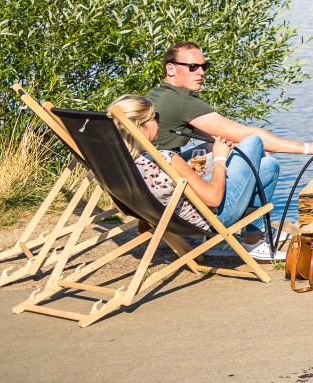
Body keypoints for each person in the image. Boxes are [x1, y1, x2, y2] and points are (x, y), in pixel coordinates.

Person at [143, 43, 313, 225]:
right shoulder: (181, 100)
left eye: (204, 66)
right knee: (258, 149)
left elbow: (220, 137)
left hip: (155, 191)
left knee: (238, 150)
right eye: (193, 67)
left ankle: (253, 236)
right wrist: (307, 148)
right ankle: (254, 237)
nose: (201, 72)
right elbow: (243, 134)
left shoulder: (158, 95)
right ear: (171, 69)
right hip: (179, 204)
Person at [110, 95, 276, 261]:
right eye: (156, 117)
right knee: (253, 141)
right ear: (140, 126)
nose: (159, 123)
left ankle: (246, 238)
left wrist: (189, 175)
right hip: (210, 220)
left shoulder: (116, 163)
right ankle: (251, 241)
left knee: (268, 166)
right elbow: (214, 198)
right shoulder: (166, 159)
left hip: (169, 219)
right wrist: (219, 158)